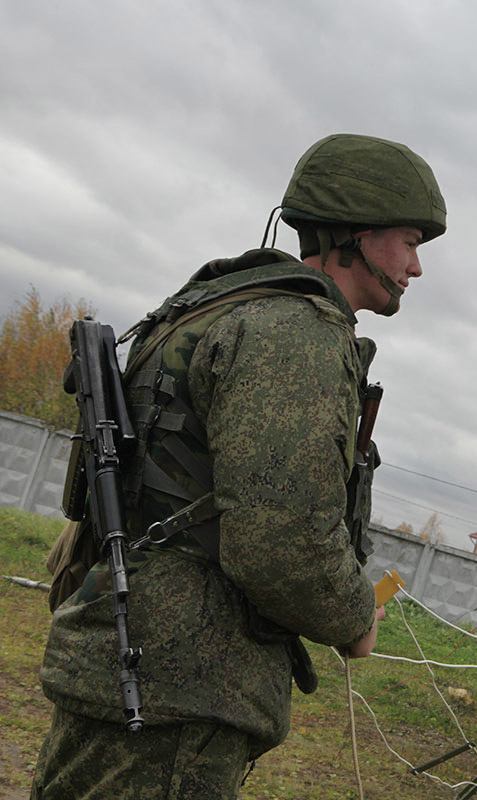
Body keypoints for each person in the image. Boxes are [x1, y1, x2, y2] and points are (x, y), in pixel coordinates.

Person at [32, 134, 447, 798]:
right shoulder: (294, 334)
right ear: (355, 234)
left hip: (132, 653)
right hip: (180, 685)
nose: (417, 266)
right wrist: (353, 618)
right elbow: (282, 541)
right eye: (409, 240)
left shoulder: (224, 305)